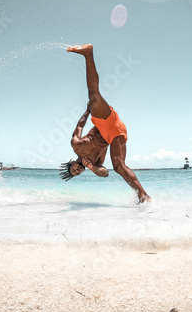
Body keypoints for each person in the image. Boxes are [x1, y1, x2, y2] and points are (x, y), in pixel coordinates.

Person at [59, 44, 152, 204]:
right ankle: (144, 196)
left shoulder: (76, 145)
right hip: (115, 134)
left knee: (94, 95)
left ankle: (88, 53)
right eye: (77, 173)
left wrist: (88, 111)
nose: (77, 169)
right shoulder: (96, 162)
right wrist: (91, 168)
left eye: (73, 169)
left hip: (104, 122)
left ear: (72, 162)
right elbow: (104, 173)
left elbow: (80, 126)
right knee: (118, 166)